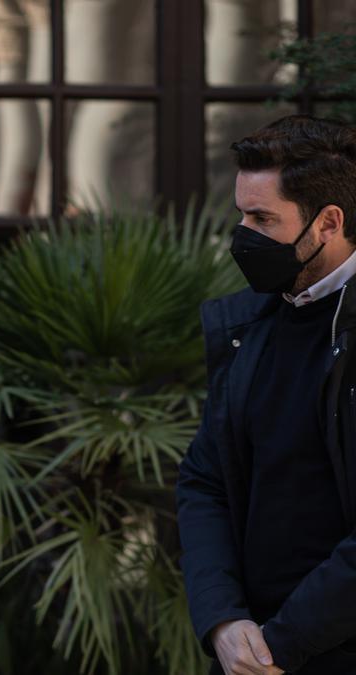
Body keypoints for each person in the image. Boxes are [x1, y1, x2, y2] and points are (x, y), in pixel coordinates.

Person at [178, 115, 356, 675]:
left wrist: (280, 643)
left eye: (262, 218)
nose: (244, 236)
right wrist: (223, 622)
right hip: (246, 654)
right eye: (241, 215)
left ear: (328, 223)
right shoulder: (248, 325)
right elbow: (204, 480)